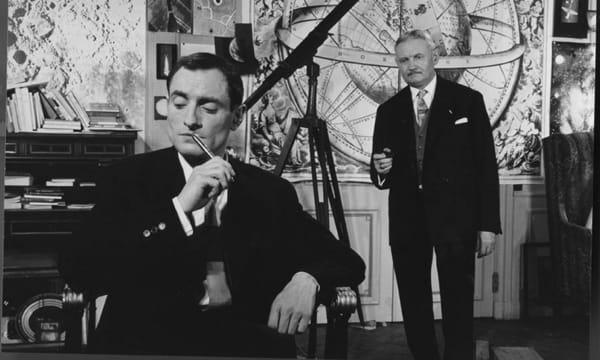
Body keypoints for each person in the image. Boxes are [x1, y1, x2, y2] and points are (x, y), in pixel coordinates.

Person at [62, 52, 365, 357]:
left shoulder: (270, 191)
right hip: (148, 344)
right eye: (179, 104)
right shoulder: (127, 178)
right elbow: (78, 269)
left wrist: (307, 279)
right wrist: (178, 209)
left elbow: (346, 260)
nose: (190, 120)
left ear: (237, 116)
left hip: (243, 344)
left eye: (208, 108)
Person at [370, 30, 501, 360]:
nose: (411, 65)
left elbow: (486, 166)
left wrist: (487, 225)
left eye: (418, 57)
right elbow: (380, 173)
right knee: (413, 302)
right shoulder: (388, 111)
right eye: (403, 60)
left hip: (456, 220)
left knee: (458, 302)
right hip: (407, 222)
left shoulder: (468, 101)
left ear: (435, 58)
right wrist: (381, 169)